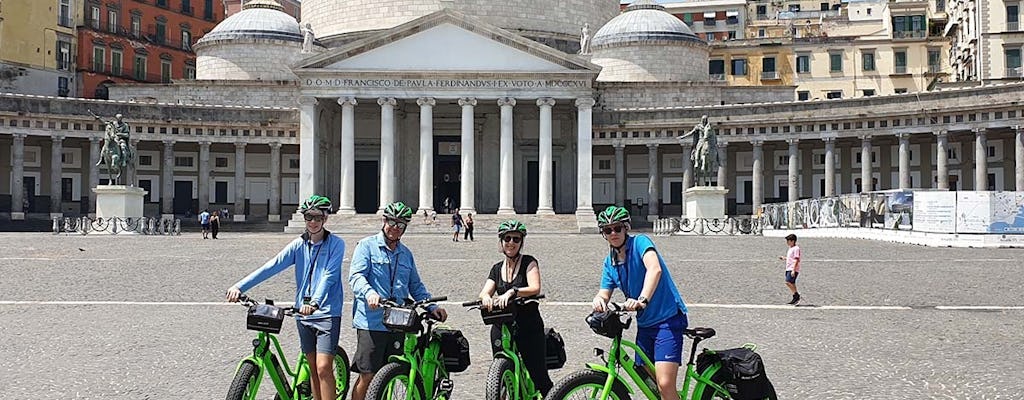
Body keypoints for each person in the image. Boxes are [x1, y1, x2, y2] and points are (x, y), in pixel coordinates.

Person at [225, 195, 345, 400]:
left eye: (317, 217)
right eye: (309, 217)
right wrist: (239, 286)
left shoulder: (336, 244)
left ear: (325, 218)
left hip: (326, 313)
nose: (313, 222)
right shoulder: (298, 245)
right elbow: (271, 266)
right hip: (302, 315)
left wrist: (315, 302)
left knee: (324, 367)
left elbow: (329, 276)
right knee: (312, 368)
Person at [349, 201, 448, 400]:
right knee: (368, 375)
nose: (395, 228)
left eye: (401, 225)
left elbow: (416, 286)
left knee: (393, 372)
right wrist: (369, 293)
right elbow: (356, 276)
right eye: (392, 222)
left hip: (398, 323)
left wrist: (432, 306)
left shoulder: (406, 254)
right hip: (372, 321)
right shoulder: (366, 246)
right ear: (383, 221)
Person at [591, 206, 688, 400]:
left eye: (617, 228)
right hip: (645, 324)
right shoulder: (610, 263)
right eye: (607, 230)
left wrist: (642, 300)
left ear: (626, 228)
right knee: (646, 376)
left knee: (665, 383)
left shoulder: (641, 243)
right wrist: (599, 300)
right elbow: (604, 292)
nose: (613, 233)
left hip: (667, 319)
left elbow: (654, 269)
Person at [477, 220, 553, 395]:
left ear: (521, 242)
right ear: (501, 241)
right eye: (507, 238)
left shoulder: (529, 262)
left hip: (528, 324)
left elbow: (535, 287)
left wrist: (513, 292)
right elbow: (484, 292)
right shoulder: (496, 269)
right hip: (502, 324)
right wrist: (487, 297)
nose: (511, 242)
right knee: (500, 373)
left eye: (516, 239)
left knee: (539, 375)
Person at [779, 233, 802, 305]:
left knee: (788, 282)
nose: (787, 243)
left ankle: (796, 295)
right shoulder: (791, 248)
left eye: (788, 241)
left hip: (792, 268)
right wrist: (784, 258)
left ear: (792, 241)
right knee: (792, 283)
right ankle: (795, 298)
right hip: (788, 268)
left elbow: (796, 259)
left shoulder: (796, 248)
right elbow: (791, 258)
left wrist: (793, 270)